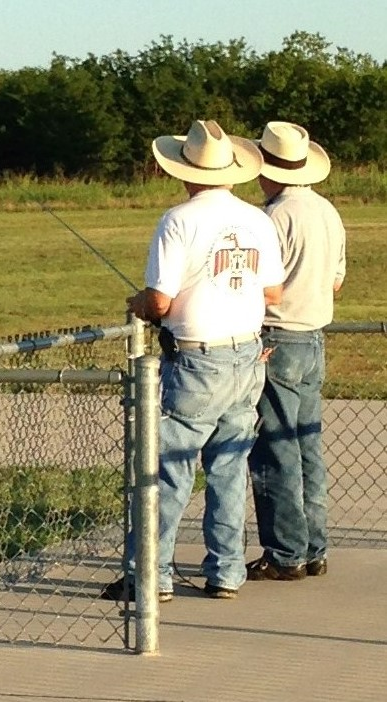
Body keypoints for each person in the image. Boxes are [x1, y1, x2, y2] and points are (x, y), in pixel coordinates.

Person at [101, 119, 285, 602]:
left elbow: (160, 301)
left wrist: (140, 303)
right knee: (229, 467)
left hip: (197, 359)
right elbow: (273, 292)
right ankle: (225, 571)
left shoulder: (178, 220)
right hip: (247, 354)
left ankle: (151, 574)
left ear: (185, 171)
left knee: (170, 469)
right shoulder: (258, 219)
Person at [246, 121, 346, 581]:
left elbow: (262, 286)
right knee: (307, 446)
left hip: (278, 335)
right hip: (314, 335)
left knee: (275, 449)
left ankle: (285, 552)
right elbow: (337, 281)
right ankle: (313, 547)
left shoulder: (273, 217)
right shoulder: (327, 210)